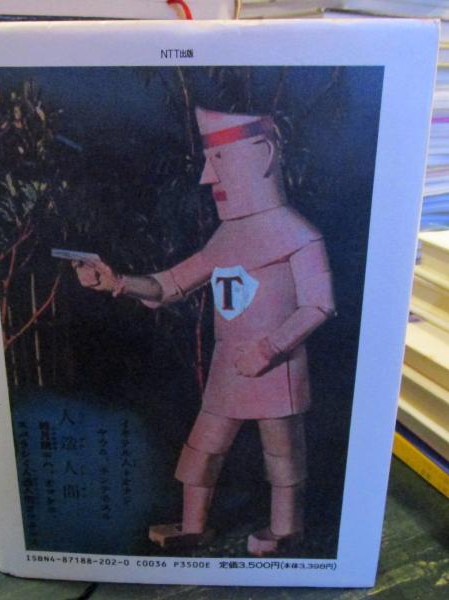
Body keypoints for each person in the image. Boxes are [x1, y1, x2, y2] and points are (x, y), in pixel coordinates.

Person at [74, 107, 335, 556]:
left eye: (220, 159)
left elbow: (319, 305)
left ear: (263, 154)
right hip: (228, 368)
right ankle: (193, 525)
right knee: (202, 448)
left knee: (282, 454)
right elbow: (169, 284)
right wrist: (118, 282)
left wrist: (269, 348)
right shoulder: (225, 238)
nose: (207, 177)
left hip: (276, 369)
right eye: (208, 160)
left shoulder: (299, 235)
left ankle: (286, 528)